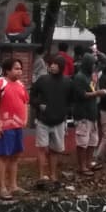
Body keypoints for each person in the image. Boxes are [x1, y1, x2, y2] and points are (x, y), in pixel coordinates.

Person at [31, 55, 74, 190]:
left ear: (61, 66)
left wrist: (64, 110)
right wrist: (39, 105)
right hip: (43, 120)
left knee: (55, 150)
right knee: (42, 148)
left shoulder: (68, 82)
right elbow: (32, 96)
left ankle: (53, 175)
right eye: (52, 64)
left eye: (56, 64)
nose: (52, 66)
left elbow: (71, 100)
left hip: (59, 121)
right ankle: (41, 176)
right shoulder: (43, 80)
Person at [0, 58, 28, 199]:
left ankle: (14, 185)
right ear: (7, 70)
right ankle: (2, 188)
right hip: (5, 126)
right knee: (2, 156)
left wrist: (25, 118)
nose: (19, 71)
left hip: (18, 126)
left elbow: (24, 103)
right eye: (16, 68)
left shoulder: (21, 85)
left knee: (15, 156)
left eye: (20, 68)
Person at [71, 55, 104, 178]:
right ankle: (82, 166)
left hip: (92, 113)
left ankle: (89, 163)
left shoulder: (91, 76)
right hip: (82, 114)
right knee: (82, 142)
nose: (94, 66)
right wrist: (97, 93)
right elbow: (81, 95)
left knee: (92, 141)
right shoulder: (79, 77)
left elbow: (104, 62)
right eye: (92, 64)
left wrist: (96, 88)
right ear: (86, 64)